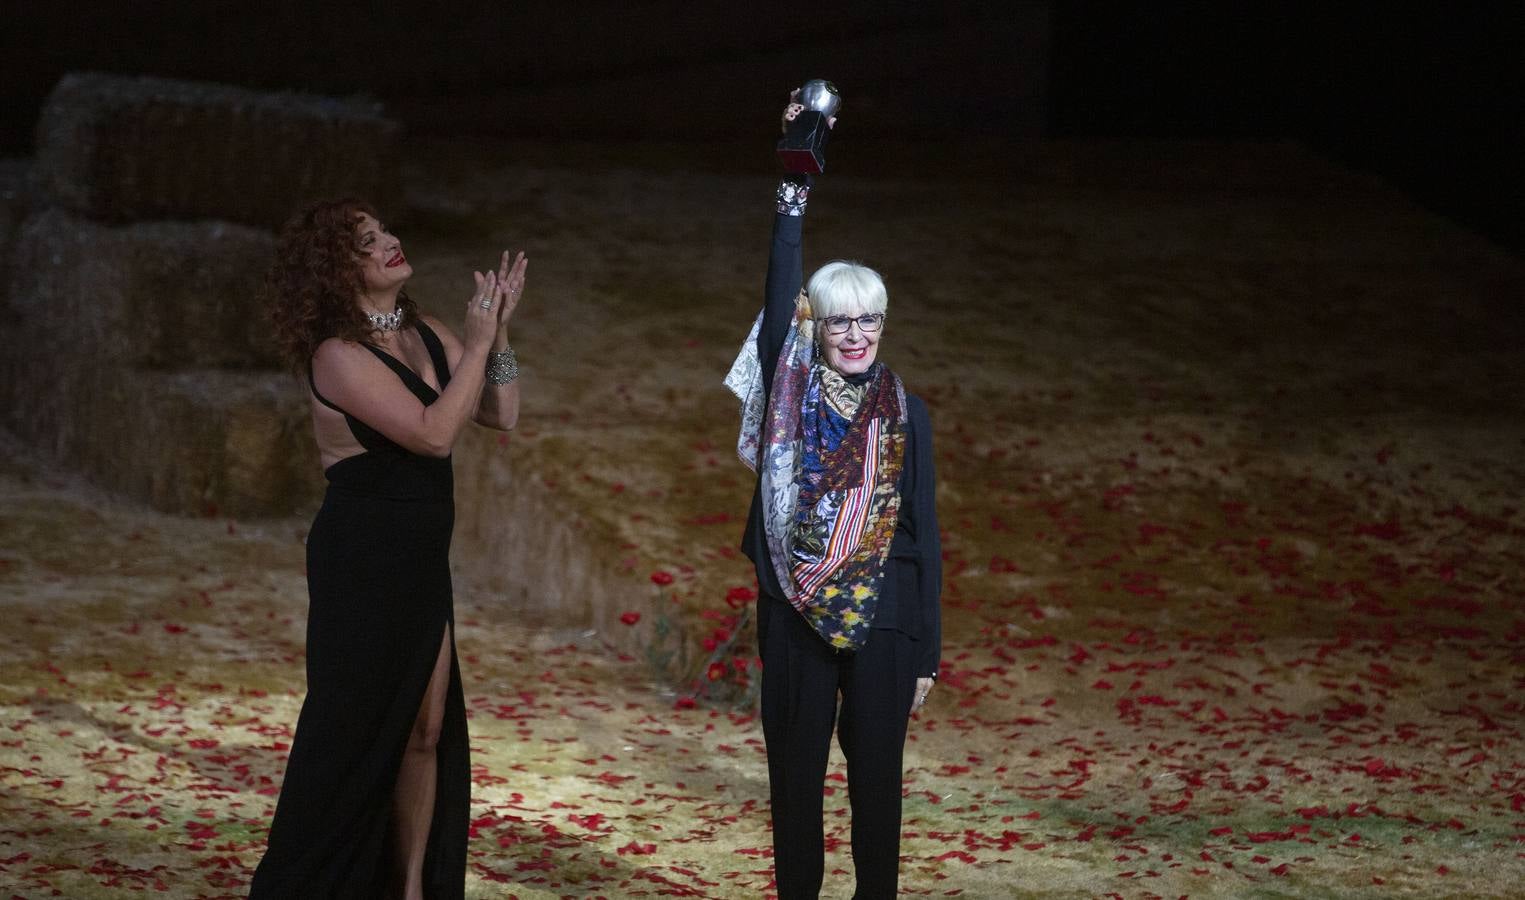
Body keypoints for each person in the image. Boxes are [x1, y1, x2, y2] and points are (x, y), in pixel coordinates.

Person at [251, 198, 526, 900]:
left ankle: (409, 887)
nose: (389, 243)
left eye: (384, 231)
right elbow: (434, 434)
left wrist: (497, 336)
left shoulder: (429, 332)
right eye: (367, 242)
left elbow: (500, 412)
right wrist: (478, 333)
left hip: (420, 561)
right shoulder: (338, 356)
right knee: (353, 739)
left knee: (427, 731)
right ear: (338, 272)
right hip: (363, 565)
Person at [725, 93, 942, 899]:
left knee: (877, 786)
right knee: (794, 784)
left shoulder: (905, 413)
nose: (855, 336)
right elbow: (782, 274)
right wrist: (793, 183)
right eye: (839, 323)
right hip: (793, 614)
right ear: (813, 327)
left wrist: (926, 649)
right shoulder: (785, 389)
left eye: (870, 323)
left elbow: (922, 532)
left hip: (884, 618)